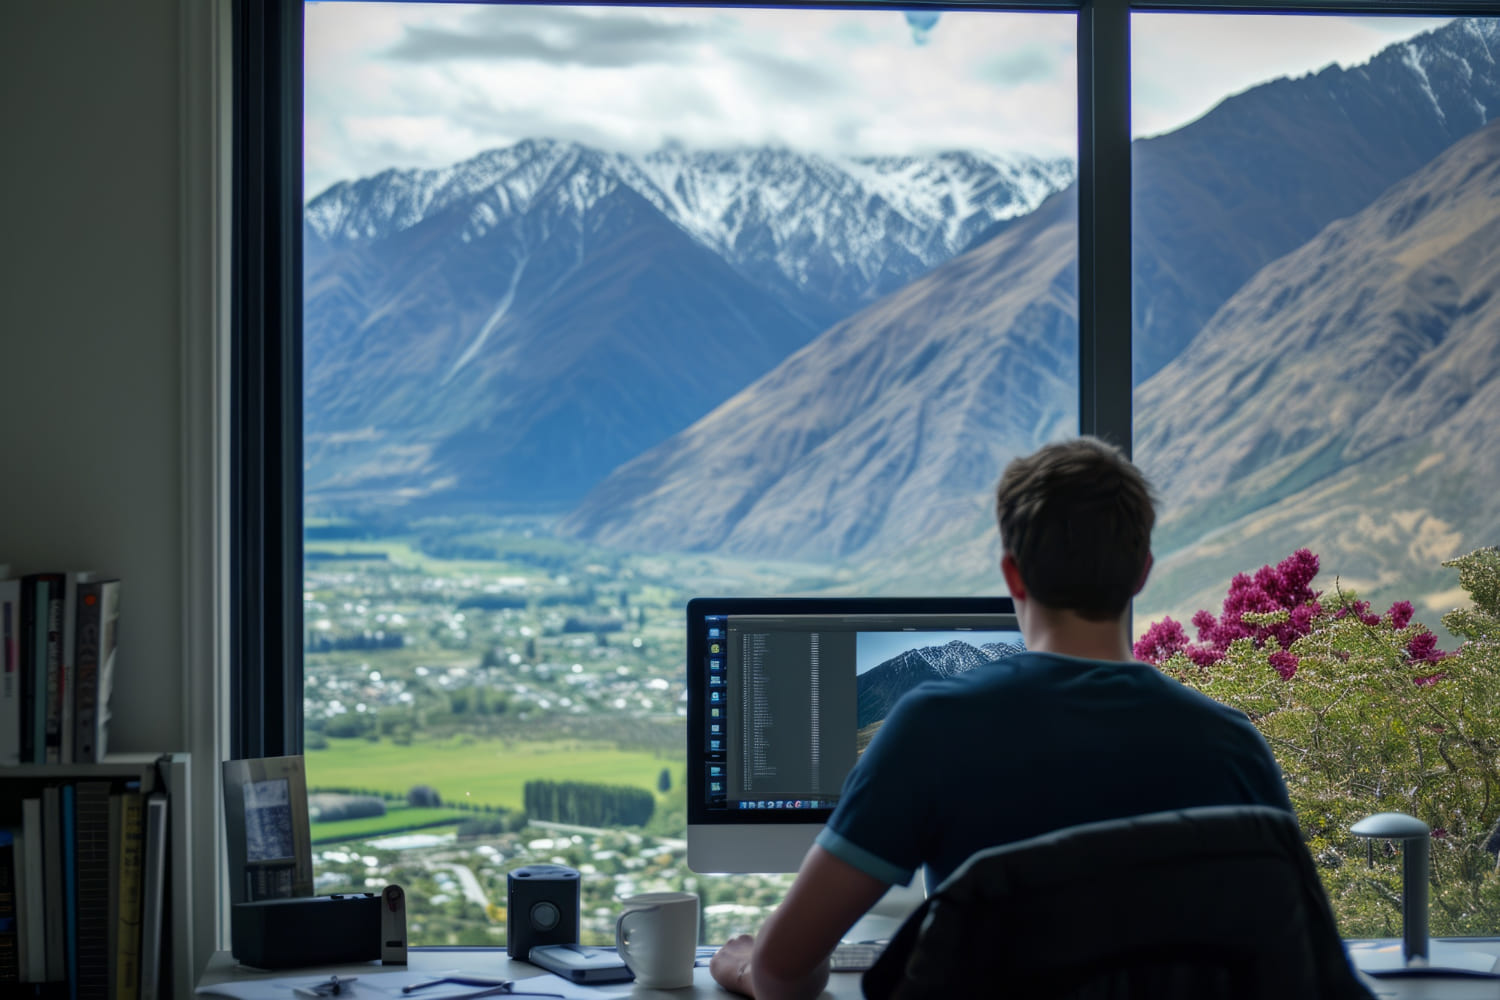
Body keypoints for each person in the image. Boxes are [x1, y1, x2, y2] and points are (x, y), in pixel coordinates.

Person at [709, 436, 1296, 1000]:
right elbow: (1286, 965)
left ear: (1013, 573)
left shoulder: (933, 728)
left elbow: (784, 972)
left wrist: (744, 965)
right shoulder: (1233, 745)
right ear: (1142, 571)